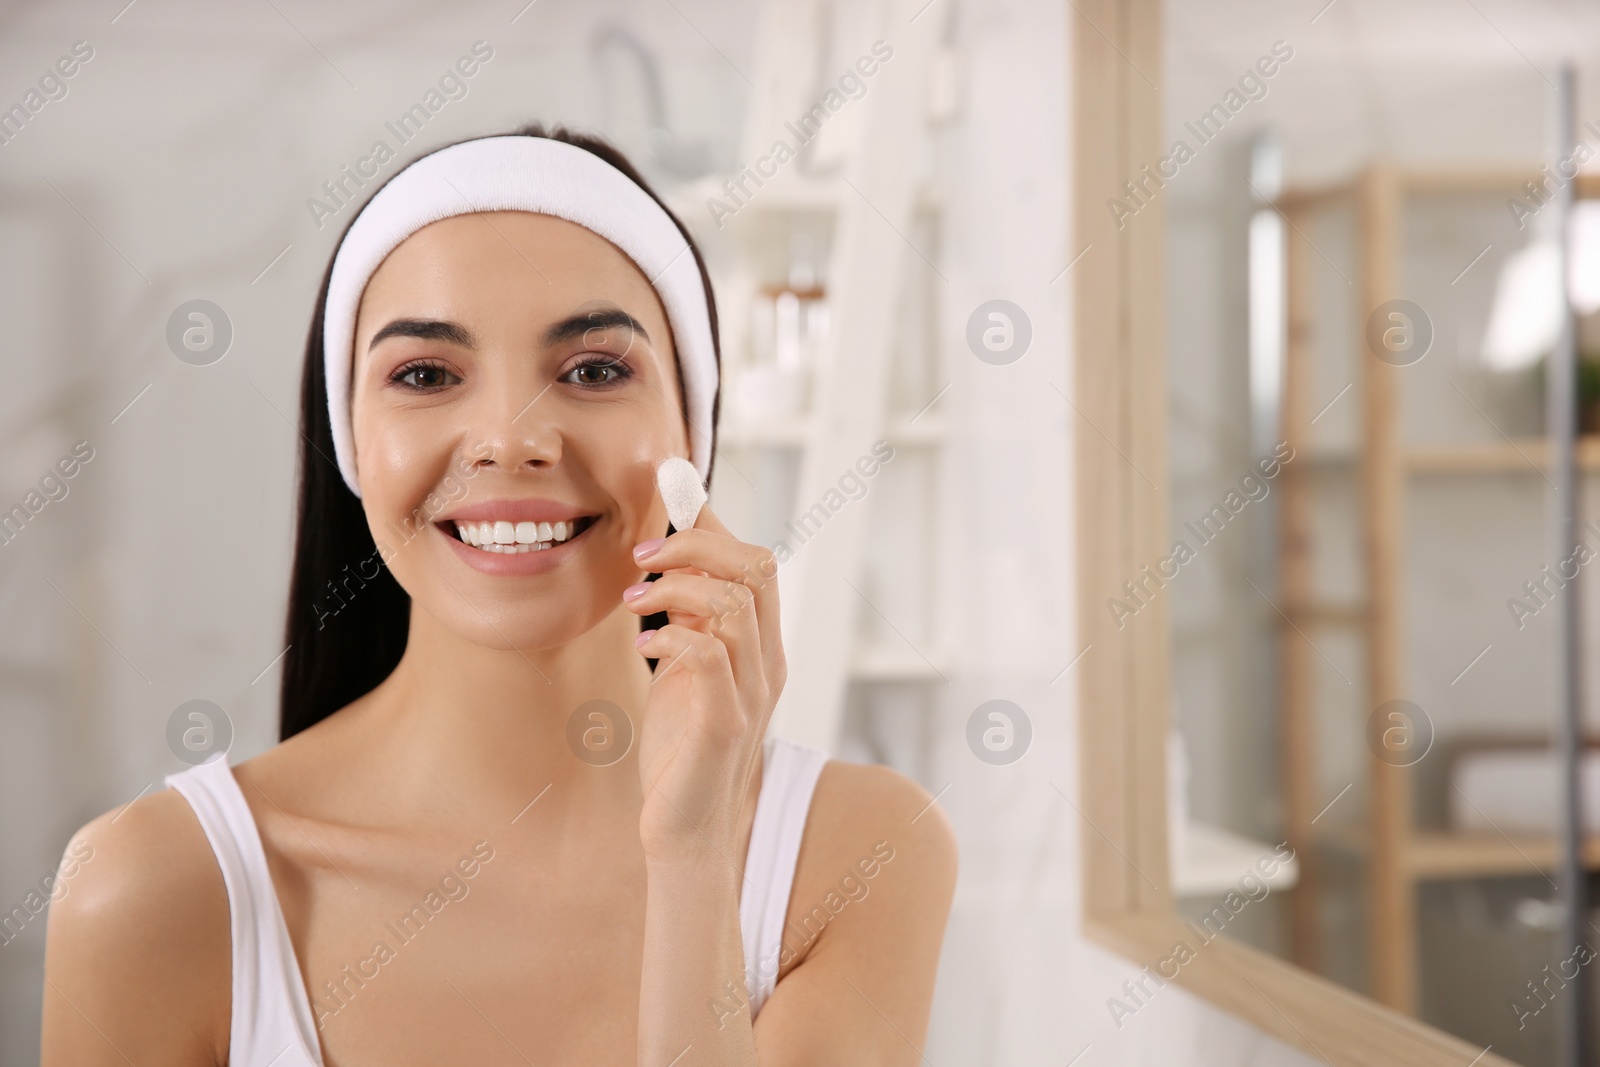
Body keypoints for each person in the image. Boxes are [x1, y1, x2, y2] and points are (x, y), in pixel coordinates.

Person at [42, 124, 957, 1066]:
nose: (510, 439)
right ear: (351, 442)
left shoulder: (861, 856)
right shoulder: (157, 889)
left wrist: (691, 861)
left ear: (695, 426)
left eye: (596, 370)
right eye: (426, 374)